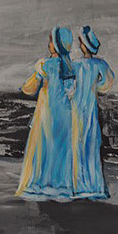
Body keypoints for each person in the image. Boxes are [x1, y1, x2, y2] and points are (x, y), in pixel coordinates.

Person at [16, 26, 77, 200]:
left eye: (51, 40)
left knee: (43, 145)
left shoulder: (44, 65)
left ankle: (41, 183)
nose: (48, 44)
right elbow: (71, 91)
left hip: (47, 112)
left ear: (57, 44)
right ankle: (61, 186)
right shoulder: (69, 67)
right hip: (64, 114)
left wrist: (23, 88)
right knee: (61, 148)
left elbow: (29, 88)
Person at [71, 25, 114, 200]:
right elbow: (108, 82)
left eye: (81, 42)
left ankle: (78, 185)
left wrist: (72, 92)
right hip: (90, 106)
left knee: (77, 144)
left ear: (84, 45)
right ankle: (94, 185)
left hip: (77, 107)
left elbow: (68, 84)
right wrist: (96, 87)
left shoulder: (76, 64)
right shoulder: (100, 64)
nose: (79, 45)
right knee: (92, 145)